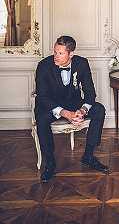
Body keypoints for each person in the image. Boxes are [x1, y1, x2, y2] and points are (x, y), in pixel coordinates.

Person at [35, 35, 108, 182]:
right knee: (42, 119)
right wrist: (65, 113)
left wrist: (82, 110)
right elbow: (42, 97)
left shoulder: (81, 63)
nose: (56, 56)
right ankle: (50, 163)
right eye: (55, 51)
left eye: (60, 53)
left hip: (73, 103)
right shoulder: (44, 65)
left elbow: (90, 92)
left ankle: (88, 155)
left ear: (71, 54)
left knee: (99, 109)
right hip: (50, 104)